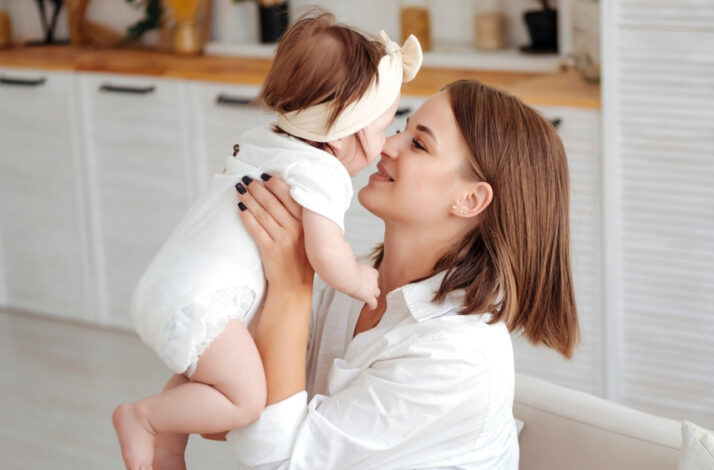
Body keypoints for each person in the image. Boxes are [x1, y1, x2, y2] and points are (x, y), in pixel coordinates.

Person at [112, 13, 423, 470]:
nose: (386, 145)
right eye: (381, 131)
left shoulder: (264, 138)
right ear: (341, 137)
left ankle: (167, 446)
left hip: (168, 288)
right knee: (245, 401)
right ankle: (144, 420)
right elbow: (324, 252)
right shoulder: (322, 171)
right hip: (202, 304)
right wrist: (358, 279)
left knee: (216, 385)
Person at [227, 79, 580, 469]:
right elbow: (232, 405)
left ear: (470, 199)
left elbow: (275, 461)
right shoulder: (355, 283)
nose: (385, 145)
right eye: (401, 129)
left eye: (419, 144)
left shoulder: (456, 352)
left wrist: (291, 284)